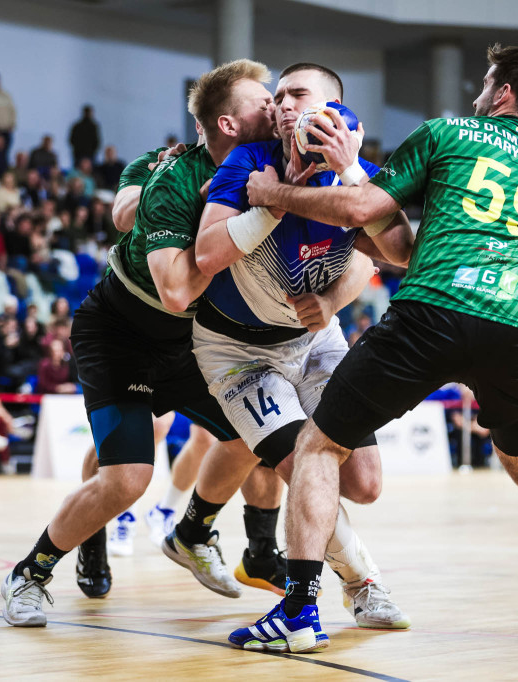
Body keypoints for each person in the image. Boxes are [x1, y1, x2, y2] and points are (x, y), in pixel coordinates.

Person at [236, 42, 518, 651]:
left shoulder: (449, 131)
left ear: (502, 94)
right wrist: (350, 171)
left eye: (485, 82)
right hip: (517, 325)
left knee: (318, 445)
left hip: (436, 312)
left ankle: (297, 611)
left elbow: (373, 216)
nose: (477, 90)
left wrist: (275, 194)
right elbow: (412, 241)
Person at [1, 59, 280, 627]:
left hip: (192, 342)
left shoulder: (270, 166)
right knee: (126, 477)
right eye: (263, 100)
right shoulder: (169, 172)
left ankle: (194, 531)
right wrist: (233, 217)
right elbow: (154, 257)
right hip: (122, 331)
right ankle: (30, 572)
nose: (275, 106)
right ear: (225, 123)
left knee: (259, 430)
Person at [172, 63, 414, 632]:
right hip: (238, 351)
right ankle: (363, 585)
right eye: (276, 96)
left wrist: (331, 301)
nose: (282, 103)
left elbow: (390, 252)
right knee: (303, 465)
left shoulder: (359, 176)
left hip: (315, 338)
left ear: (334, 106)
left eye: (296, 93)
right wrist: (272, 203)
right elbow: (207, 253)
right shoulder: (248, 164)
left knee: (364, 483)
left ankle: (195, 529)